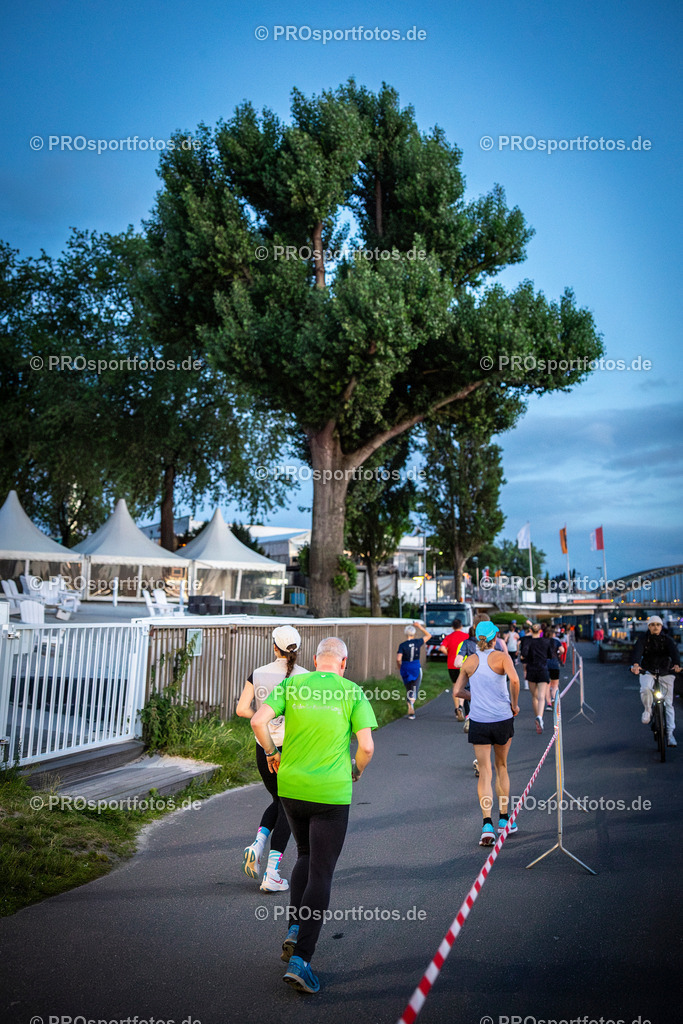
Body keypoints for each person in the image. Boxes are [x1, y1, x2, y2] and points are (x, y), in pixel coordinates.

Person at [251, 636, 377, 994]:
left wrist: (272, 751)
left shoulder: (292, 683)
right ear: (343, 662)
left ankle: (294, 929)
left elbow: (259, 721)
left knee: (304, 855)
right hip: (330, 793)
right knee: (322, 871)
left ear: (315, 659)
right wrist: (357, 769)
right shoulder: (352, 691)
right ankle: (301, 960)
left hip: (290, 788)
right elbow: (366, 746)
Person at [236, 625, 309, 892]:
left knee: (278, 801)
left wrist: (267, 714)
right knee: (289, 808)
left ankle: (256, 847)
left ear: (274, 647)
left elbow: (243, 709)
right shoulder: (306, 677)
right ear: (298, 649)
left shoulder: (257, 674)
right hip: (293, 748)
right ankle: (272, 873)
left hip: (264, 746)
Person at [452, 621, 520, 845]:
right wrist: (515, 704)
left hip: (479, 721)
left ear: (476, 636)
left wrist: (476, 698)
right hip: (502, 718)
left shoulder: (470, 661)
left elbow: (457, 691)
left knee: (484, 772)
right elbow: (516, 680)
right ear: (495, 636)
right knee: (502, 766)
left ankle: (487, 826)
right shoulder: (502, 657)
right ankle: (504, 820)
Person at [631, 615, 680, 746]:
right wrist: (636, 664)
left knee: (668, 703)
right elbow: (637, 651)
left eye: (658, 625)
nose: (655, 627)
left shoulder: (667, 639)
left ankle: (670, 735)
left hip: (665, 671)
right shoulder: (643, 639)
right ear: (649, 627)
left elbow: (674, 652)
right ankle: (647, 710)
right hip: (648, 670)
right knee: (645, 688)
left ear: (661, 626)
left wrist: (676, 665)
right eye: (652, 625)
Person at [519, 623, 553, 733]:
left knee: (534, 697)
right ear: (540, 631)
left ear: (530, 630)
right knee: (542, 697)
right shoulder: (546, 641)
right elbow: (550, 655)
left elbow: (523, 655)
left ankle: (537, 718)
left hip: (531, 670)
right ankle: (540, 717)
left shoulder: (527, 641)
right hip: (542, 669)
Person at [396, 621, 431, 719]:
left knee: (408, 688)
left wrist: (400, 667)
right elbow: (429, 636)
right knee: (415, 688)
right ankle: (411, 704)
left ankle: (410, 705)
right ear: (414, 633)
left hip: (405, 667)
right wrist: (420, 626)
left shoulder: (402, 645)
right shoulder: (417, 642)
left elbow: (398, 658)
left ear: (405, 633)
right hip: (415, 667)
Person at [438, 617, 470, 720]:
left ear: (452, 627)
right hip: (464, 665)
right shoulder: (466, 636)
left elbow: (441, 648)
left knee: (455, 686)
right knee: (464, 687)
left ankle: (457, 709)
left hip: (452, 664)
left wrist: (449, 654)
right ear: (461, 626)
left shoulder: (448, 637)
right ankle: (462, 707)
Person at [545, 626, 562, 708]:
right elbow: (562, 650)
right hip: (555, 664)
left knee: (547, 685)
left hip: (545, 665)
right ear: (553, 634)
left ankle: (548, 704)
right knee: (555, 685)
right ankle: (554, 700)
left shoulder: (543, 641)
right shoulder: (556, 641)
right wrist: (558, 654)